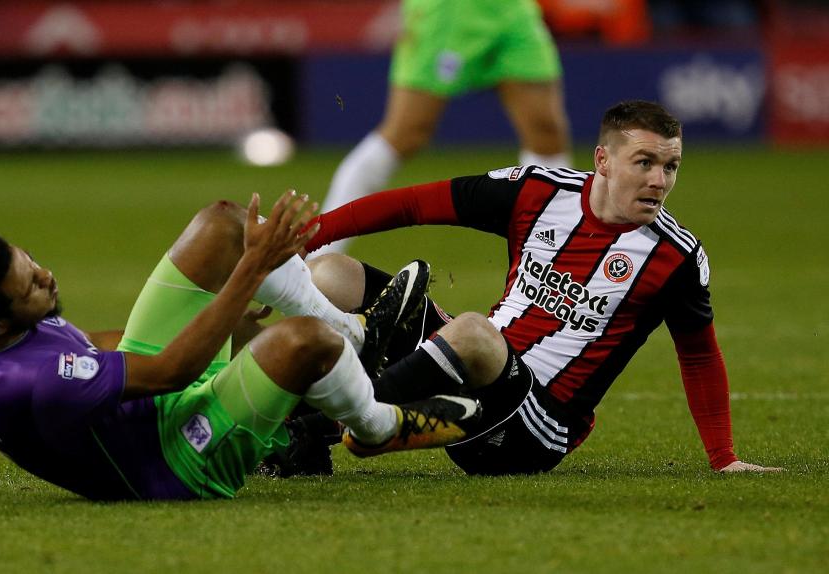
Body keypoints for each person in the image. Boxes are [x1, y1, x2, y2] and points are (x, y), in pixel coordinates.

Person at [299, 100, 782, 474]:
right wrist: (313, 234)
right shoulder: (538, 191)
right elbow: (414, 205)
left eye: (670, 167)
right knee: (330, 275)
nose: (659, 181)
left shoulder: (674, 257)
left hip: (535, 429)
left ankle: (325, 423)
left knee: (471, 331)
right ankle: (329, 429)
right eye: (645, 163)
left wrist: (724, 457)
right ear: (604, 161)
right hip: (474, 371)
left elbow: (699, 355)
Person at [0, 191, 486, 502]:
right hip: (170, 459)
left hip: (141, 409)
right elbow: (172, 371)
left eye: (31, 261)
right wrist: (244, 278)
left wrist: (215, 311)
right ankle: (379, 428)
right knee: (301, 343)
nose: (46, 275)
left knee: (220, 225)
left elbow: (90, 350)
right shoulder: (30, 381)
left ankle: (358, 337)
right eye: (30, 285)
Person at [316, 0, 572, 255]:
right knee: (406, 133)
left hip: (511, 11)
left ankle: (562, 253)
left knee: (545, 131)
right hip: (448, 11)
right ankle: (319, 252)